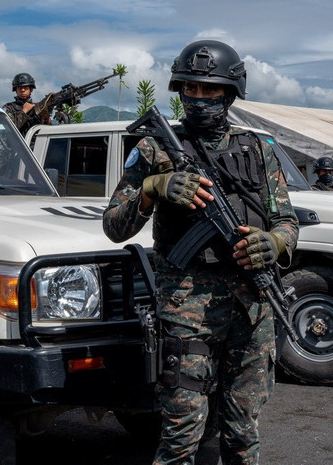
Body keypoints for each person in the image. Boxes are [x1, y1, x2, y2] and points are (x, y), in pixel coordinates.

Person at [102, 40, 299, 465]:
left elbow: (287, 220)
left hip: (253, 307)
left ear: (229, 94)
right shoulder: (154, 149)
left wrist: (275, 242)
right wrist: (152, 189)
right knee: (181, 432)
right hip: (186, 305)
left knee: (243, 430)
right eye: (190, 89)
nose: (198, 98)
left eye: (210, 90)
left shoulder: (258, 149)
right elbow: (114, 225)